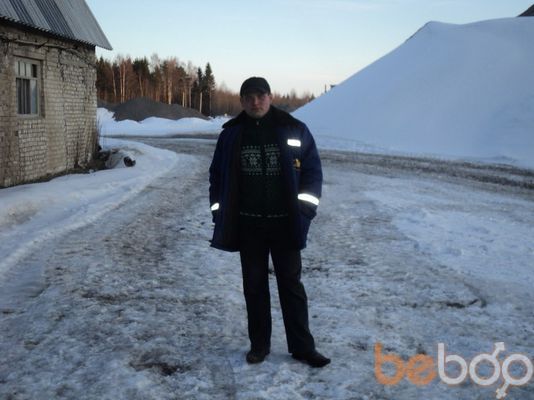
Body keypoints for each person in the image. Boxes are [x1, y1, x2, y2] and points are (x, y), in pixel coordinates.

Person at [209, 77, 330, 368]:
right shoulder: (231, 134)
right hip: (249, 226)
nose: (255, 102)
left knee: (291, 286)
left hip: (285, 224)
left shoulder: (294, 128)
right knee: (254, 287)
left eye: (260, 96)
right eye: (249, 97)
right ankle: (259, 345)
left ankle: (302, 347)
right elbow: (217, 176)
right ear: (242, 101)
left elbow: (312, 172)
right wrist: (219, 212)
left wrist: (304, 211)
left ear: (270, 97)